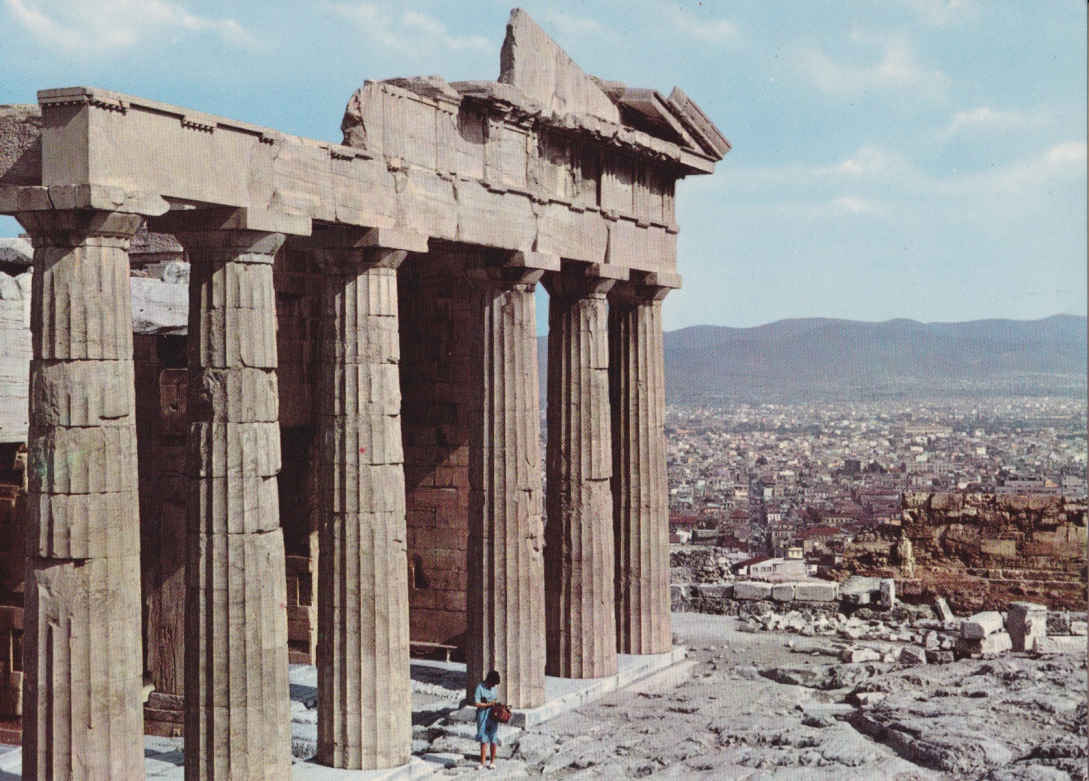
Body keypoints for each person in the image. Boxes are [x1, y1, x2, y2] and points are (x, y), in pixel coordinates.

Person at [471, 669, 502, 769]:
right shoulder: (480, 687)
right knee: (483, 738)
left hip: (493, 715)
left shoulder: (494, 688)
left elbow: (495, 699)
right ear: (489, 680)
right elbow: (476, 703)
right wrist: (488, 704)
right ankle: (482, 762)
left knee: (493, 738)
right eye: (492, 684)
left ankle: (492, 762)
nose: (493, 686)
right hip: (482, 714)